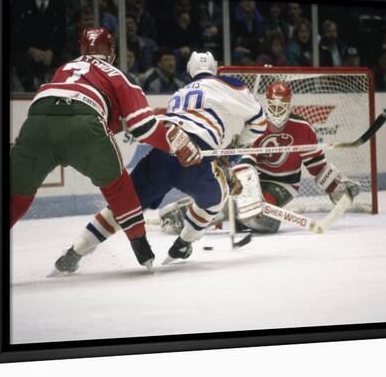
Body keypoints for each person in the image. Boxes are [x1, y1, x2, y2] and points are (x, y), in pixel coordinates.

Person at [52, 51, 267, 273]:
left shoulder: (178, 94)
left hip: (163, 152)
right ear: (215, 68)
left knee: (125, 207)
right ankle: (183, 245)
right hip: (197, 157)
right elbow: (259, 122)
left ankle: (74, 252)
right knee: (215, 201)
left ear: (190, 72)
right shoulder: (230, 84)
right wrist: (235, 151)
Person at [10, 27, 202, 270]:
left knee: (15, 196)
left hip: (37, 122)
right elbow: (143, 127)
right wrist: (176, 146)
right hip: (85, 123)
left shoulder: (64, 68)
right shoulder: (118, 75)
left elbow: (77, 107)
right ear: (111, 52)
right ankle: (141, 248)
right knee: (118, 187)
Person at [234, 81, 361, 234]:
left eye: (280, 107)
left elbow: (316, 165)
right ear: (266, 103)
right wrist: (249, 192)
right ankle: (238, 214)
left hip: (283, 183)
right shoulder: (256, 125)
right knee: (221, 198)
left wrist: (335, 187)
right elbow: (245, 160)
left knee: (264, 219)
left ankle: (242, 217)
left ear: (288, 106)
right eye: (273, 106)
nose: (276, 111)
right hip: (255, 179)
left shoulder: (302, 128)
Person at [10, 0, 67, 91]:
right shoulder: (21, 1)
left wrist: (52, 51)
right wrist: (29, 49)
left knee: (65, 64)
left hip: (49, 52)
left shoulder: (59, 4)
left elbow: (61, 34)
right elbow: (13, 31)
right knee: (20, 62)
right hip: (24, 50)